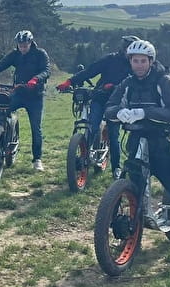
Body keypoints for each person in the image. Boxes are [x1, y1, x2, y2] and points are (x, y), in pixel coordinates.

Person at [105, 40, 170, 266]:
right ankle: (133, 240)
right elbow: (110, 107)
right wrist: (120, 113)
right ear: (130, 62)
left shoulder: (164, 81)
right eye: (135, 61)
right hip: (135, 142)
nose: (139, 65)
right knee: (134, 191)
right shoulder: (127, 83)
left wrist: (144, 112)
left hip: (160, 144)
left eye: (143, 61)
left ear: (151, 62)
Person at [56, 35, 140, 179]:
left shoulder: (135, 66)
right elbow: (90, 71)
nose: (129, 53)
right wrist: (70, 81)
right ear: (123, 49)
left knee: (114, 136)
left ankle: (116, 168)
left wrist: (115, 87)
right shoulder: (110, 59)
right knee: (92, 127)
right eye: (127, 49)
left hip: (117, 104)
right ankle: (84, 156)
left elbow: (135, 85)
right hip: (100, 98)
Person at [0, 30, 51, 171]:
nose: (22, 48)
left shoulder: (40, 54)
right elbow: (0, 65)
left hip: (35, 96)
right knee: (1, 113)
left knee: (36, 128)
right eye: (20, 45)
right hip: (18, 92)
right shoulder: (15, 54)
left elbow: (47, 70)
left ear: (30, 43)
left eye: (25, 45)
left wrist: (36, 79)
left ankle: (37, 160)